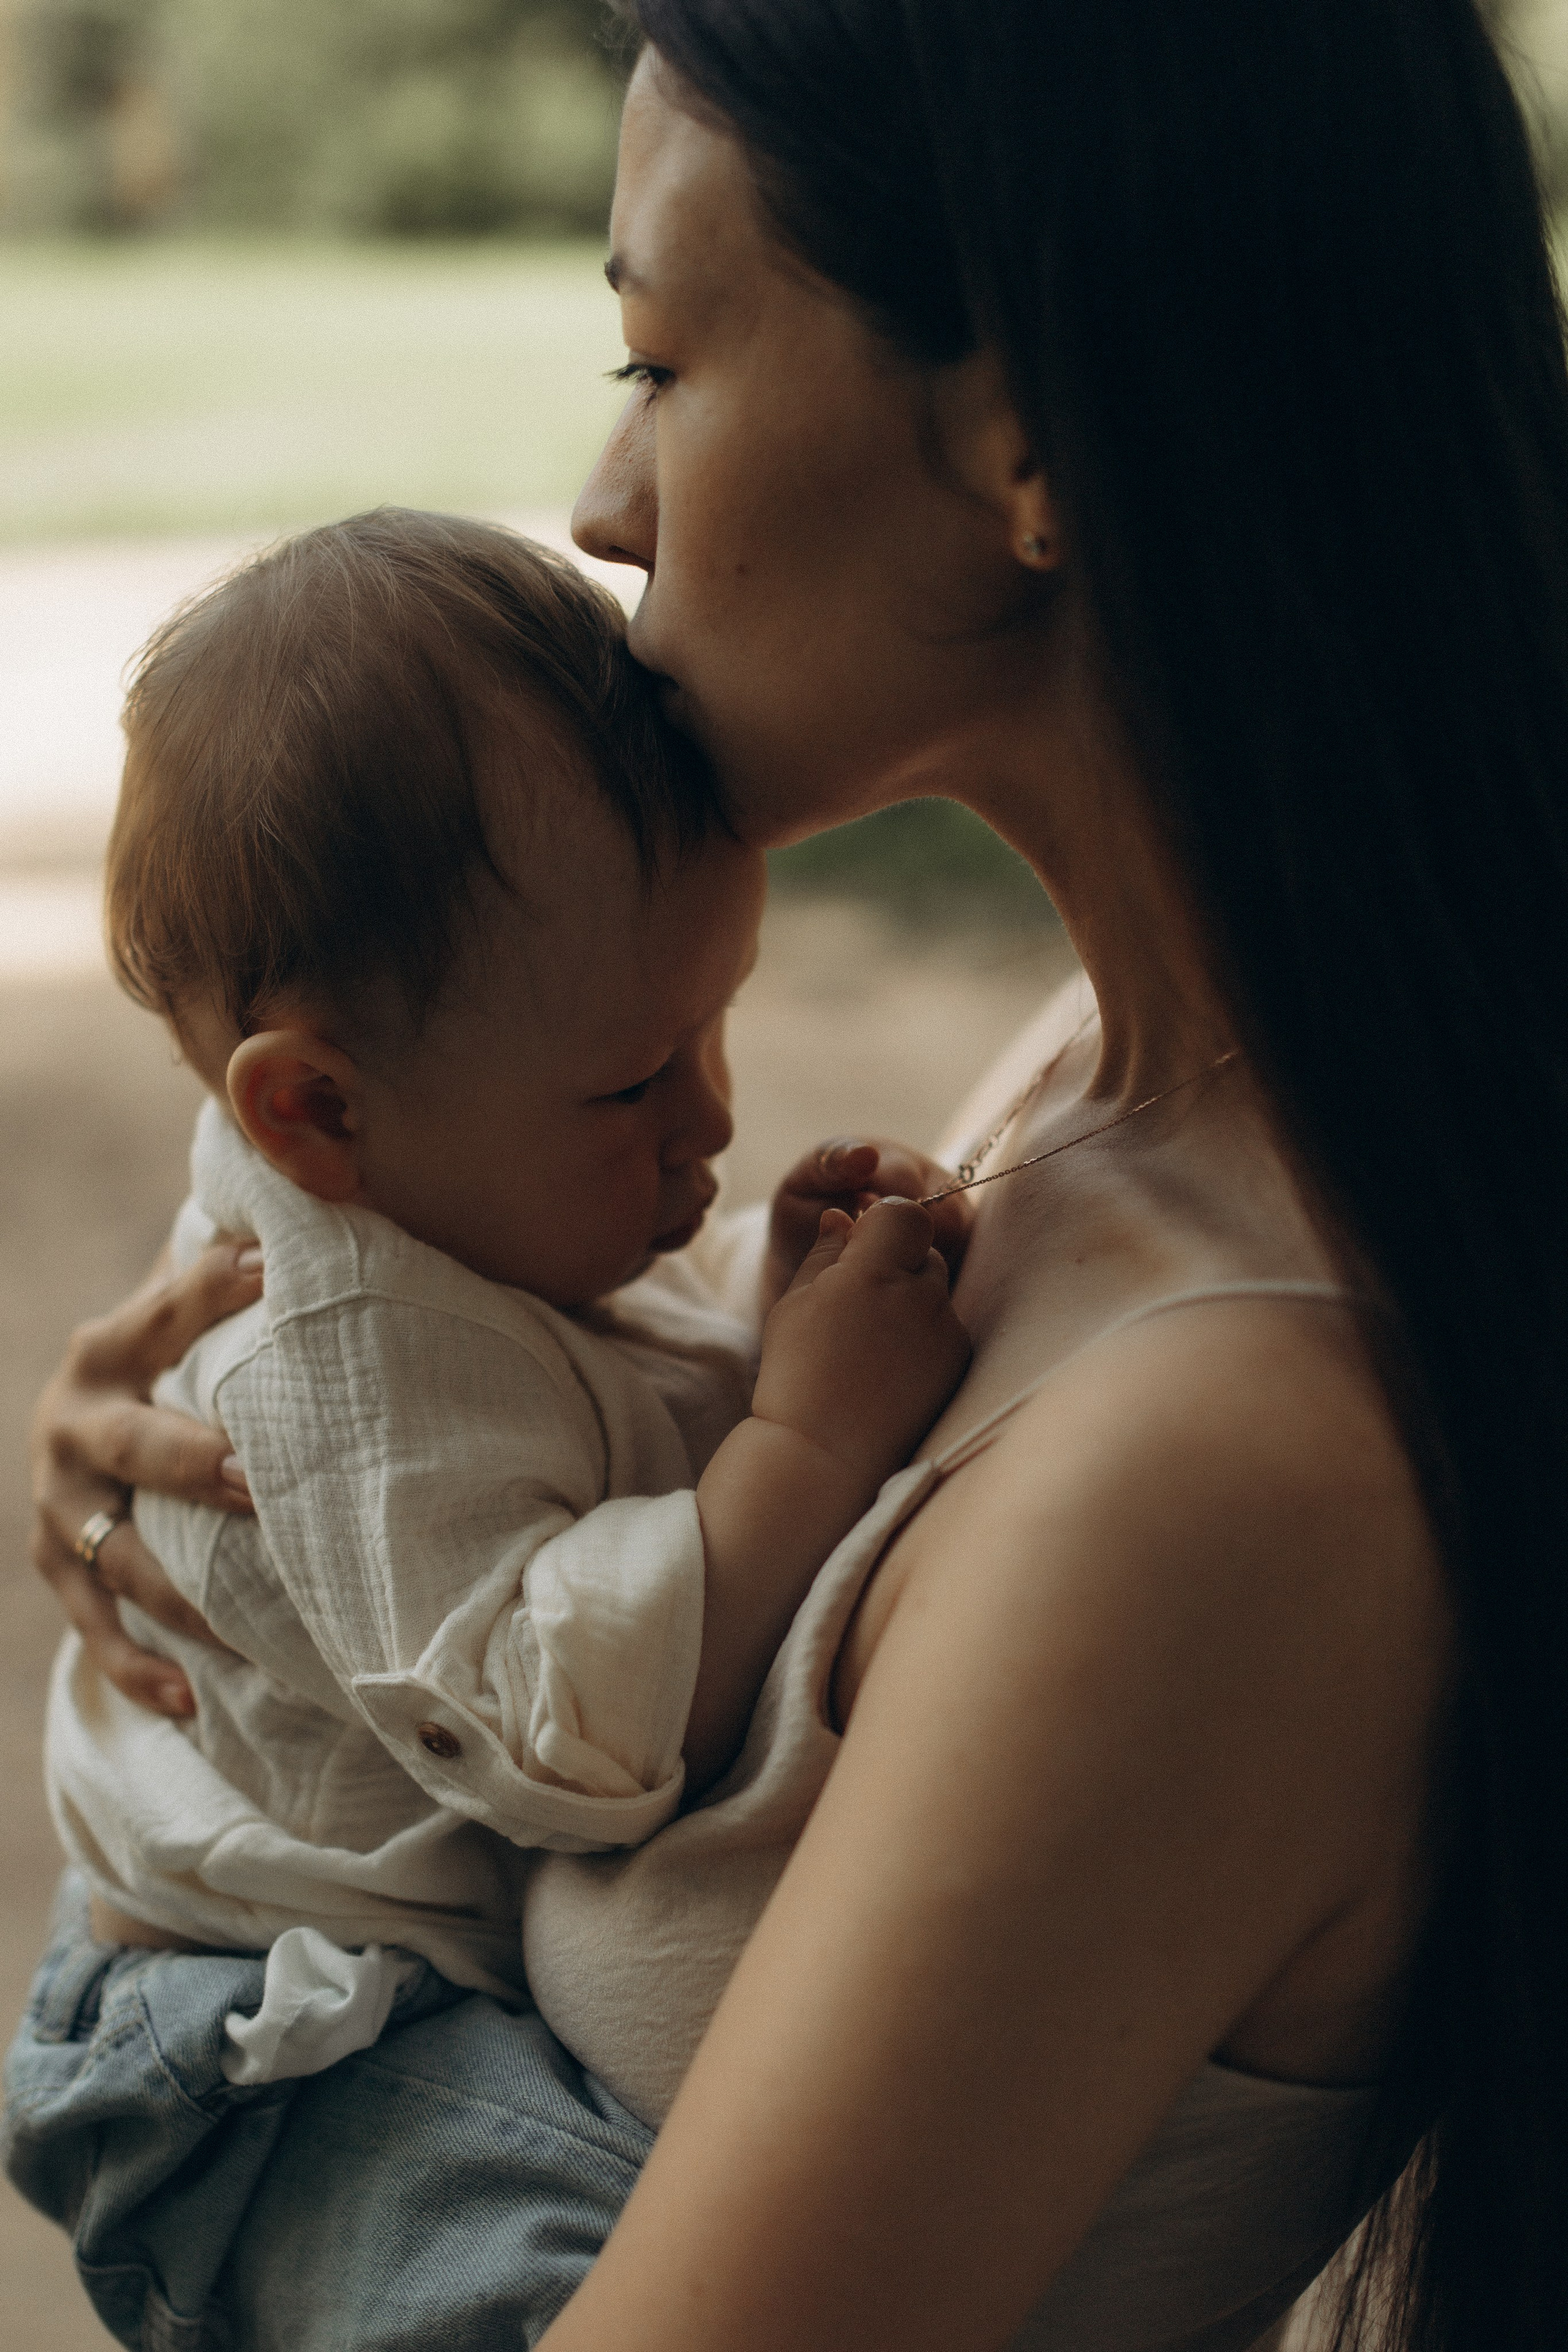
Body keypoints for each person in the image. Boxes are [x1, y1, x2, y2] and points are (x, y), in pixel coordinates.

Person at [25, 2, 1568, 2346]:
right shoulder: (1093, 1092)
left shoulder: (1221, 1459)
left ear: (1031, 433)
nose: (602, 502)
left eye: (659, 362)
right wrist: (281, 1467)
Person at [6, 507, 971, 2346]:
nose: (710, 1125)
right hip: (273, 2062)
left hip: (372, 2013)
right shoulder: (345, 1360)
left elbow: (585, 1407)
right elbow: (556, 1722)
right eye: (632, 1080)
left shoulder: (437, 1184)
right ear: (312, 1120)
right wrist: (811, 1442)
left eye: (716, 1029)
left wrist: (773, 1300)